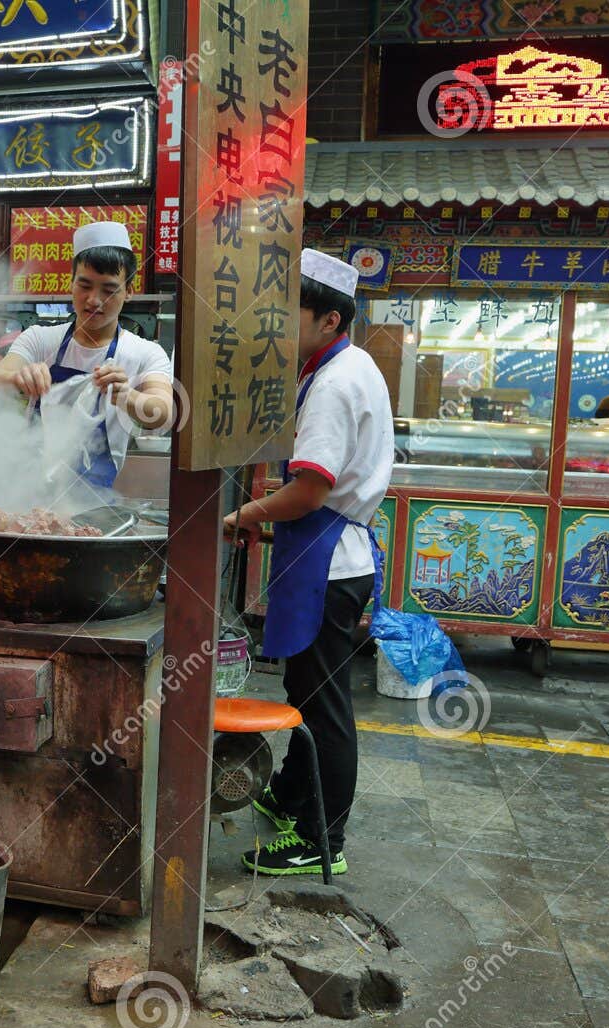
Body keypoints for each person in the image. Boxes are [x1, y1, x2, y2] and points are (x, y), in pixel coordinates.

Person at [223, 249, 393, 877]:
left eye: (285, 311)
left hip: (330, 558)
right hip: (326, 552)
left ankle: (324, 839)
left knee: (323, 705)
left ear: (327, 319)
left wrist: (245, 515)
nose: (274, 323)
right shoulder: (345, 363)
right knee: (306, 689)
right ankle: (293, 793)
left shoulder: (336, 382)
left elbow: (309, 489)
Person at [0, 221, 174, 496]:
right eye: (84, 285)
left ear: (129, 291)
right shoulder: (40, 339)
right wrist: (17, 377)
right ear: (71, 283)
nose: (94, 300)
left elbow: (162, 413)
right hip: (25, 493)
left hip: (93, 505)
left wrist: (127, 396)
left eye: (108, 290)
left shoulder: (145, 353)